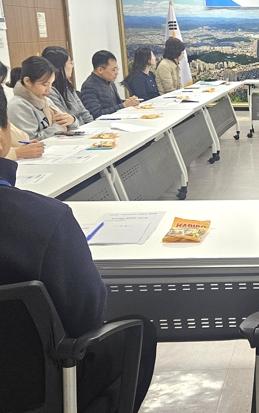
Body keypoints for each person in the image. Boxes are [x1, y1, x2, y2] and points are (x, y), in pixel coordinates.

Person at [0, 86, 156, 412]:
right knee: (135, 335)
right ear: (4, 137)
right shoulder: (43, 220)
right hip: (34, 389)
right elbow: (88, 316)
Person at [8, 57, 78, 140]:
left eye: (51, 84)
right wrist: (58, 128)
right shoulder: (18, 106)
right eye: (45, 84)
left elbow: (68, 126)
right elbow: (30, 140)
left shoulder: (45, 100)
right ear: (27, 81)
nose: (49, 89)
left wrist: (72, 120)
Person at [0, 62, 44, 160]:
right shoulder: (17, 104)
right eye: (44, 84)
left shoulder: (44, 100)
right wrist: (15, 152)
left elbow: (23, 138)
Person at [42, 46, 94, 125]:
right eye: (70, 63)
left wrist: (92, 125)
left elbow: (83, 112)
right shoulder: (50, 91)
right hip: (71, 130)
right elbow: (64, 120)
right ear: (60, 66)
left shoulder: (67, 85)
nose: (72, 66)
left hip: (83, 128)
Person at [80, 50, 139, 119]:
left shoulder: (109, 82)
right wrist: (124, 105)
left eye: (117, 69)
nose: (117, 73)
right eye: (114, 70)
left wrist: (130, 102)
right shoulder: (89, 87)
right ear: (100, 70)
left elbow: (116, 104)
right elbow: (96, 114)